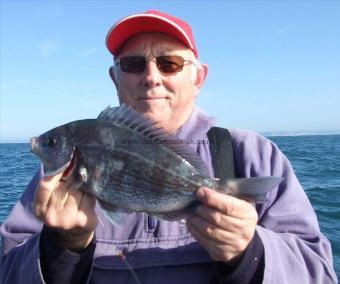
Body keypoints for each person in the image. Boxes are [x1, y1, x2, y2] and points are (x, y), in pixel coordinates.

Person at [0, 10, 337, 284]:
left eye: (170, 64)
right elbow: (7, 269)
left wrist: (251, 252)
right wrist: (61, 246)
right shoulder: (55, 181)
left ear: (199, 77)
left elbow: (320, 274)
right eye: (132, 64)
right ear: (115, 77)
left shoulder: (253, 156)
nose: (151, 77)